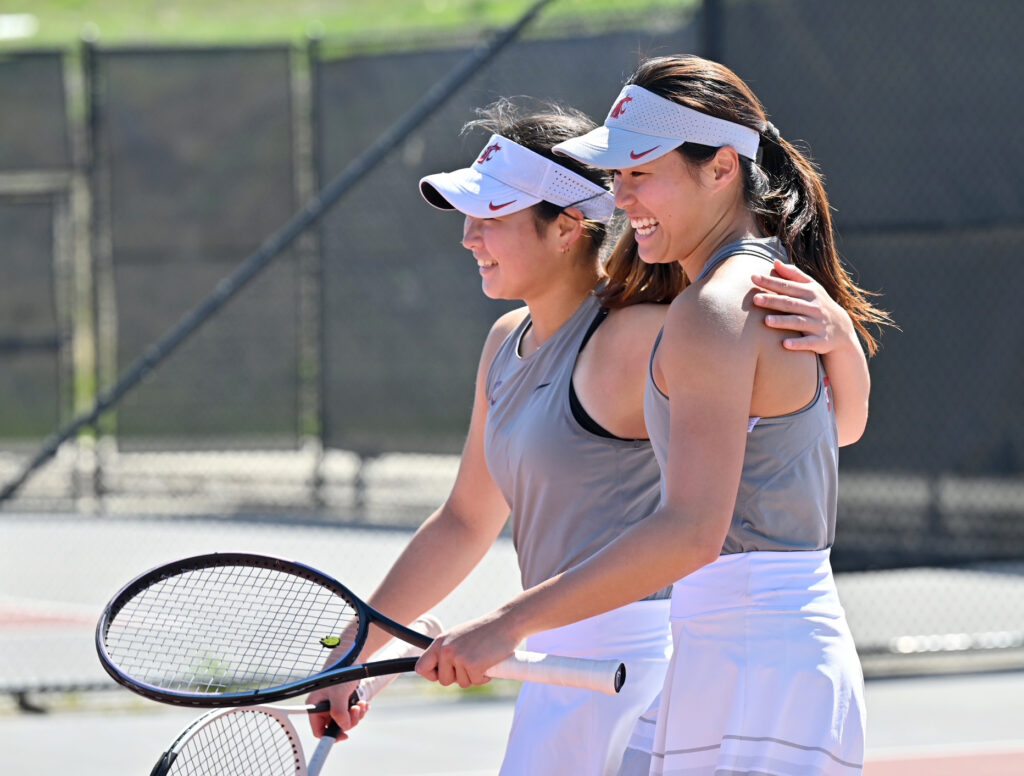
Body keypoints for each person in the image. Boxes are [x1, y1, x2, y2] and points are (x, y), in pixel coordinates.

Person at [312, 95, 873, 776]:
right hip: (558, 662)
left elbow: (813, 430)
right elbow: (464, 519)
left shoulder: (645, 335)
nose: (469, 235)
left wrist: (839, 341)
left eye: (492, 214)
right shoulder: (505, 345)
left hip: (634, 673)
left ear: (567, 228)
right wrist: (354, 649)